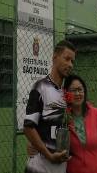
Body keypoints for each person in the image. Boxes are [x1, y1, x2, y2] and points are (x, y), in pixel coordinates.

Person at [24, 39, 76, 173]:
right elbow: (29, 127)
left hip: (60, 168)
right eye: (67, 59)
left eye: (72, 61)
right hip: (39, 167)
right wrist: (49, 155)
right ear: (55, 57)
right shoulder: (40, 87)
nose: (70, 64)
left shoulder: (66, 93)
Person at [64, 74, 97, 173]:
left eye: (80, 89)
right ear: (66, 93)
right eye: (73, 90)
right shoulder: (63, 118)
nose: (77, 93)